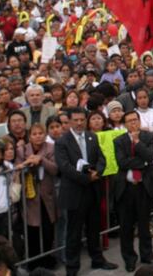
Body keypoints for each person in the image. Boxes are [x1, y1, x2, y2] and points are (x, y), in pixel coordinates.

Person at [54, 107, 117, 275]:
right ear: (69, 122)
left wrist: (98, 172)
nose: (79, 123)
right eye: (76, 120)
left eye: (82, 119)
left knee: (93, 228)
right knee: (74, 232)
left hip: (93, 190)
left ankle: (97, 259)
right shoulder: (62, 141)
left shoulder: (92, 137)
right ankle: (72, 267)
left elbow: (101, 159)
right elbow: (65, 167)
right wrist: (86, 178)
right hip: (75, 192)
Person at [113, 110, 153, 271]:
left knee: (144, 224)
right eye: (129, 121)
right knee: (126, 226)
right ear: (125, 124)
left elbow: (150, 156)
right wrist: (142, 163)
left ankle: (147, 255)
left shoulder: (149, 137)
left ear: (139, 121)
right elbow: (122, 163)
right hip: (126, 189)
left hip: (143, 187)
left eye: (135, 120)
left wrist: (138, 143)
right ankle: (129, 258)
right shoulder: (119, 140)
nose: (133, 123)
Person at [16, 123, 57, 270]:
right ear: (29, 136)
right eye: (34, 134)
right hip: (30, 196)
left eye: (40, 133)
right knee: (32, 230)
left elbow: (55, 169)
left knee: (48, 230)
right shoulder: (21, 150)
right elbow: (18, 168)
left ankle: (47, 259)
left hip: (47, 195)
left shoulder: (51, 148)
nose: (38, 136)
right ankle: (33, 262)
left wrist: (41, 160)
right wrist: (27, 163)